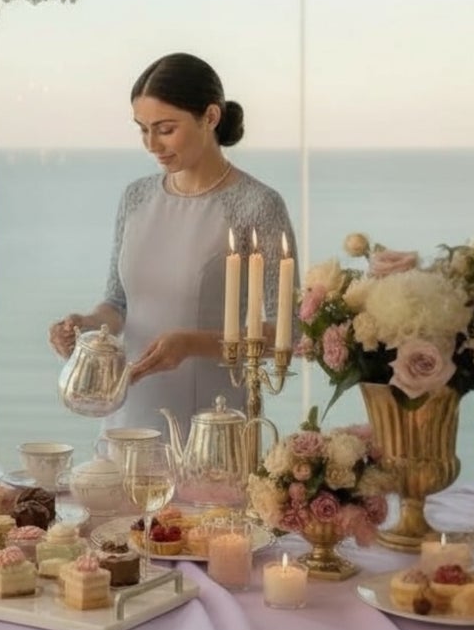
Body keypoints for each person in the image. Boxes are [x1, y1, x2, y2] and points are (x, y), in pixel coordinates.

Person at [48, 52, 297, 437]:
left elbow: (288, 332)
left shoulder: (257, 205)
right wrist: (87, 325)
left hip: (212, 424)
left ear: (210, 117)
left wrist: (192, 344)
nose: (151, 144)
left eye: (165, 129)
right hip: (128, 419)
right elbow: (118, 303)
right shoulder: (136, 197)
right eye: (142, 129)